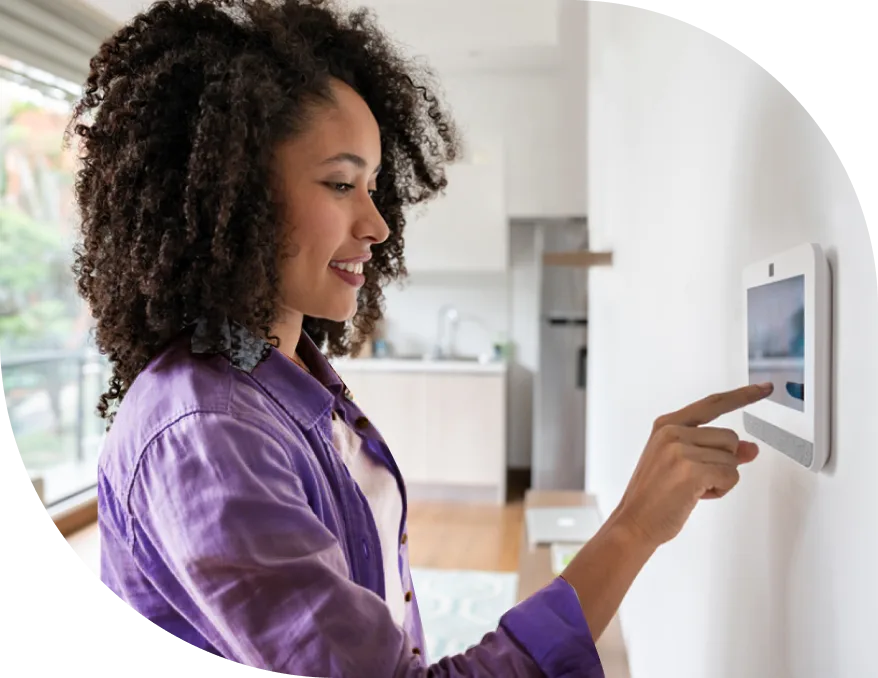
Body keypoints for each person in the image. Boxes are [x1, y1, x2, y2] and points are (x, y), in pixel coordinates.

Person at [68, 1, 774, 676]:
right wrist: (632, 529)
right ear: (234, 192)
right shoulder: (208, 434)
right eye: (342, 183)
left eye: (373, 186)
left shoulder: (289, 379)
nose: (376, 225)